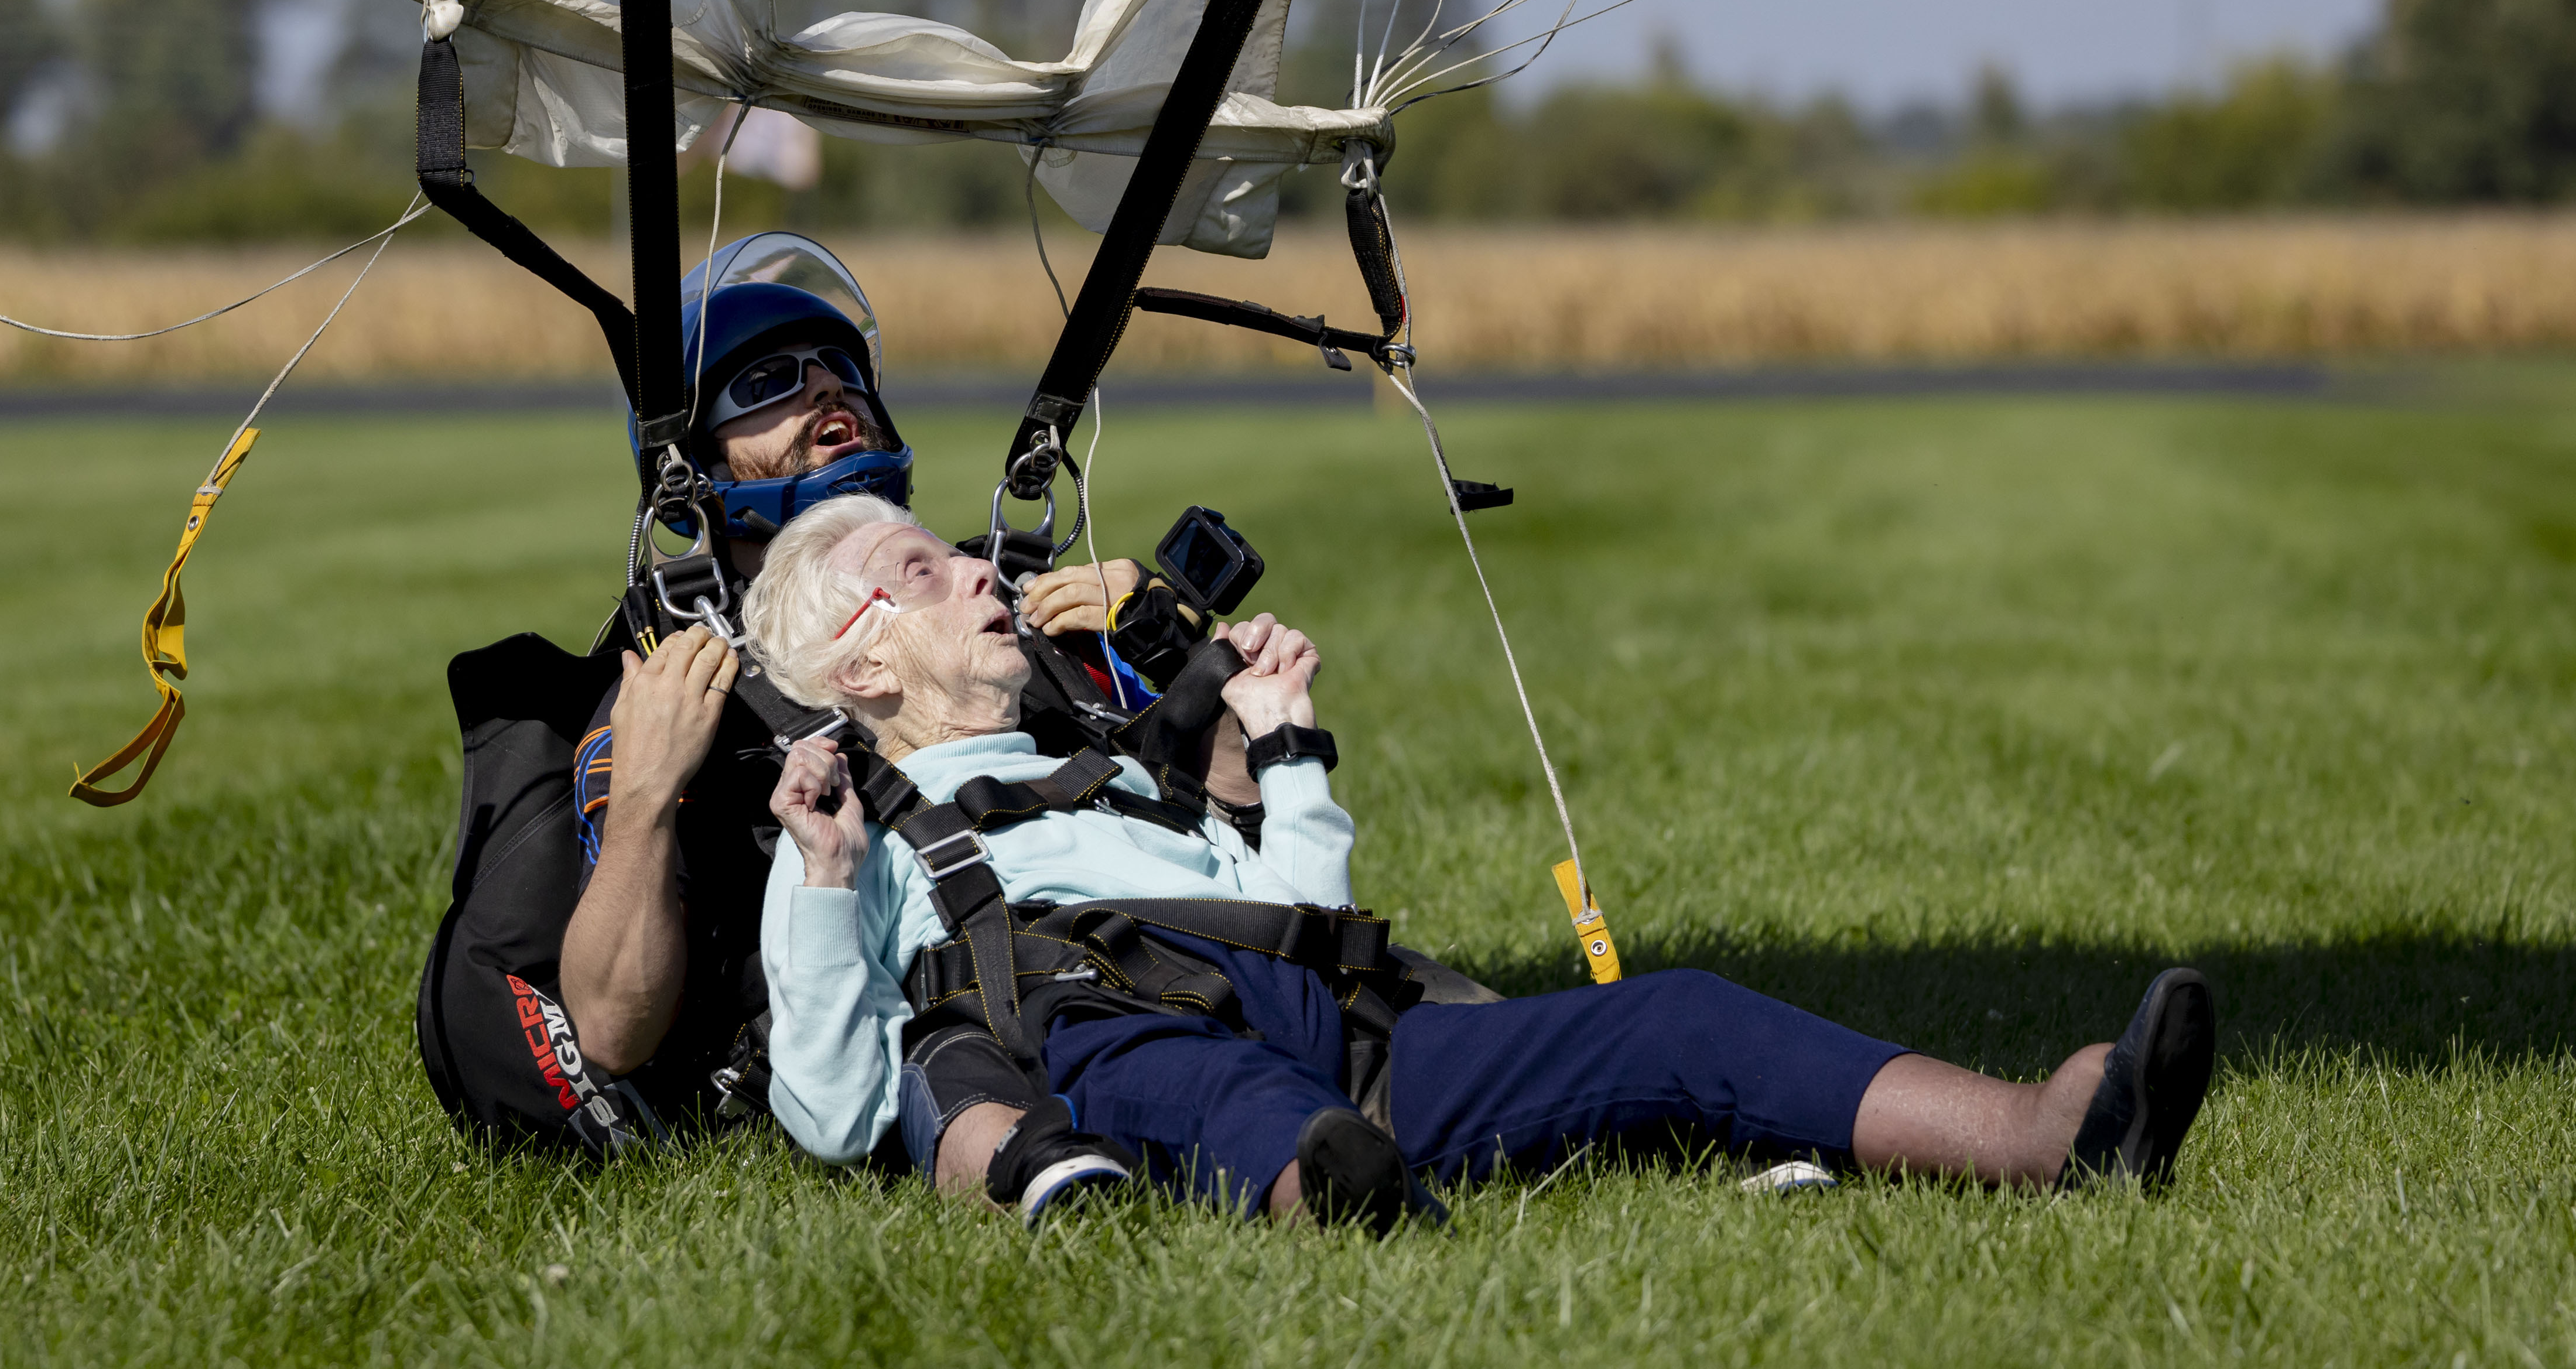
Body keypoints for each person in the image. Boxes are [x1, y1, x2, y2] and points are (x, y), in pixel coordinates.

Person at [744, 495, 2221, 1227]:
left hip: (1338, 1031)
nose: (983, 573)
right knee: (1240, 1099)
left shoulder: (1112, 762)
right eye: (924, 571)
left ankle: (2042, 1135)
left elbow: (1306, 922)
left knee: (1681, 1011)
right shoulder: (851, 817)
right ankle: (1357, 1213)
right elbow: (827, 1103)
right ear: (854, 660)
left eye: (965, 554)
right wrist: (820, 879)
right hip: (1116, 1042)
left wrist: (1287, 740)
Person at [552, 237, 1173, 1209]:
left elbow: (1228, 831)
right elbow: (611, 1034)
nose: (823, 395)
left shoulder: (1002, 602)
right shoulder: (679, 680)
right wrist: (642, 798)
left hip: (1151, 966)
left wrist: (1159, 642)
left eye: (841, 373)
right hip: (933, 1033)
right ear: (696, 466)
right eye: (767, 384)